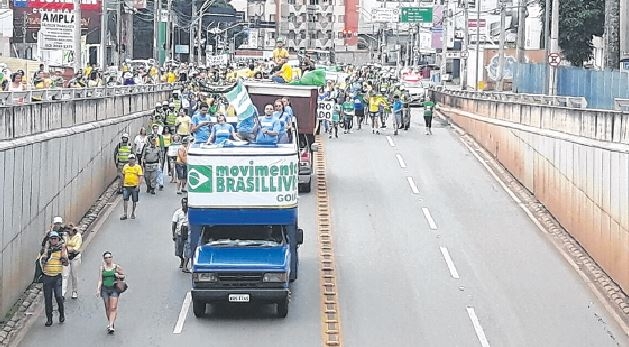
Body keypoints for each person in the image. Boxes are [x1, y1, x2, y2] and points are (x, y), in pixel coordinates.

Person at [40, 231, 68, 327]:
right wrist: (45, 258)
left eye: (55, 238)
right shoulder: (45, 250)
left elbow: (66, 263)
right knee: (48, 299)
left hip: (57, 277)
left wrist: (64, 259)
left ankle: (61, 313)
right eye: (52, 238)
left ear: (58, 239)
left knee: (59, 297)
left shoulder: (62, 249)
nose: (53, 240)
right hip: (47, 276)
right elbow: (41, 260)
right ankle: (49, 318)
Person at [97, 251, 125, 334]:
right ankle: (110, 321)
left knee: (113, 307)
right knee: (107, 307)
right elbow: (100, 279)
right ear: (104, 259)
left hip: (114, 288)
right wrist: (98, 289)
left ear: (112, 258)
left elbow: (123, 275)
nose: (108, 259)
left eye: (109, 257)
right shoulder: (102, 268)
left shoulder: (116, 267)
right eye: (106, 258)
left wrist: (118, 275)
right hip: (105, 289)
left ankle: (111, 325)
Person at [62, 226, 82, 299]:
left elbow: (77, 248)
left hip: (75, 257)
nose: (68, 233)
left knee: (74, 275)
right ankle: (63, 292)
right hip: (66, 257)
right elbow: (63, 244)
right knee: (65, 275)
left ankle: (74, 291)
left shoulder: (78, 236)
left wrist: (68, 248)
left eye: (69, 231)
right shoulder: (65, 235)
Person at [121, 154, 143, 219]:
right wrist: (122, 184)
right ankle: (125, 214)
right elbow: (123, 175)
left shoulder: (138, 167)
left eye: (132, 159)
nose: (131, 160)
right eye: (130, 159)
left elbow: (140, 176)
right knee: (125, 199)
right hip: (126, 186)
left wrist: (138, 185)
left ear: (134, 160)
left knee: (134, 200)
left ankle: (133, 213)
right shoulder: (125, 166)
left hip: (134, 186)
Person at [172, 198, 190, 272]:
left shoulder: (191, 212)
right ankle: (182, 260)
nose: (185, 204)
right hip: (180, 233)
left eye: (186, 203)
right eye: (183, 203)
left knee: (187, 250)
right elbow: (174, 224)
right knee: (179, 251)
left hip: (189, 234)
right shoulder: (177, 213)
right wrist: (173, 234)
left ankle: (185, 266)